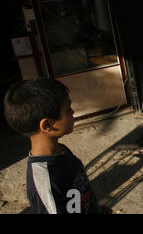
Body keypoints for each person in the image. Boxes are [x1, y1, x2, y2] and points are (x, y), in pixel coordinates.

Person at [3, 78, 102, 214]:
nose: (73, 112)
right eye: (68, 110)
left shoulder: (61, 150)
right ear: (47, 125)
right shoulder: (44, 182)